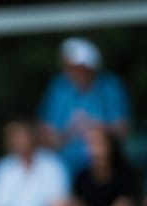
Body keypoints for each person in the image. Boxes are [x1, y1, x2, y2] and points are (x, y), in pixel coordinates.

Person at [38, 37, 131, 174]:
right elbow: (45, 135)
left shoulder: (110, 86)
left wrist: (97, 128)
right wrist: (69, 131)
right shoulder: (59, 88)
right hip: (65, 165)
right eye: (70, 67)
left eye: (78, 67)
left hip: (105, 165)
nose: (72, 72)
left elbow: (124, 130)